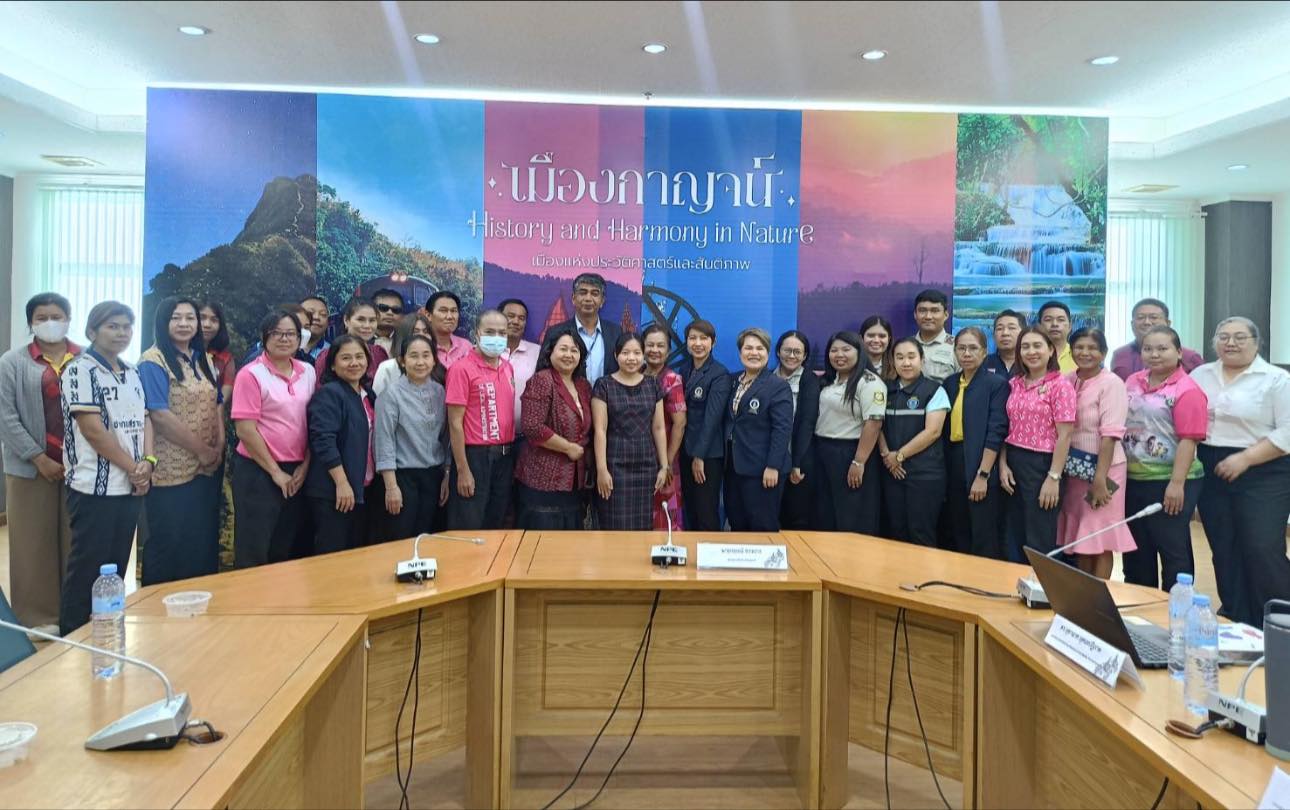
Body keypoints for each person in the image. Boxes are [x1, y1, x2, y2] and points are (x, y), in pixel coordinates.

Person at [58, 301, 153, 635]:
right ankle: (71, 638)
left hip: (130, 486)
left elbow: (145, 419)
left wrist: (148, 464)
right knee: (87, 569)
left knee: (115, 569)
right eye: (112, 326)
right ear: (92, 331)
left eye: (126, 327)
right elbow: (93, 431)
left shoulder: (132, 372)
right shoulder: (79, 370)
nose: (121, 333)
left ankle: (105, 634)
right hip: (93, 488)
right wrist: (133, 467)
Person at [1192, 317, 1290, 624]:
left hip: (1265, 468)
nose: (1230, 343)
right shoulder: (1201, 374)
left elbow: (1288, 431)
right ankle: (1236, 617)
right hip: (1211, 465)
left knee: (1262, 546)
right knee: (1224, 545)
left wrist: (1246, 459)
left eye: (1239, 337)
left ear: (1256, 343)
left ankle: (1277, 620)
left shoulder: (1276, 379)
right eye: (1223, 337)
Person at [0, 293, 80, 633]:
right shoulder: (12, 362)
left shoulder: (85, 358)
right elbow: (5, 416)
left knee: (75, 540)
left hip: (79, 468)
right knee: (32, 544)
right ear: (31, 322)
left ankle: (74, 613)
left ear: (68, 319)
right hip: (29, 469)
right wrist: (37, 457)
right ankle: (37, 618)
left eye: (57, 316)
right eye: (42, 317)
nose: (50, 322)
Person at [138, 297, 224, 585]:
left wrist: (218, 447)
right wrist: (202, 450)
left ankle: (196, 602)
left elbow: (217, 404)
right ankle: (156, 604)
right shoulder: (153, 360)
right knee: (168, 543)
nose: (184, 323)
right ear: (163, 322)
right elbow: (159, 415)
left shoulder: (204, 359)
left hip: (206, 468)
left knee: (198, 542)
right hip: (170, 470)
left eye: (190, 317)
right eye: (176, 317)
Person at [1121, 325, 1208, 591]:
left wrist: (1176, 483)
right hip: (1133, 477)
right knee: (1136, 549)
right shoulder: (1133, 381)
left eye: (1162, 348)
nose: (1154, 354)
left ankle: (1175, 607)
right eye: (1148, 349)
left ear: (1179, 352)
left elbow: (1189, 439)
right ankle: (1139, 605)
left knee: (1172, 547)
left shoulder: (1187, 388)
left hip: (1172, 479)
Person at [230, 310, 316, 568]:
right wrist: (276, 473)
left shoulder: (308, 371)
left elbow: (312, 422)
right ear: (264, 337)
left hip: (297, 471)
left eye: (291, 333)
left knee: (285, 547)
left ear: (300, 338)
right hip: (259, 471)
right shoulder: (251, 374)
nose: (284, 339)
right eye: (276, 333)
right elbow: (246, 430)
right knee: (254, 548)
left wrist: (305, 466)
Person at [1056, 328, 1134, 578]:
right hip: (1075, 469)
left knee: (1100, 534)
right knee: (1082, 534)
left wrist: (1100, 480)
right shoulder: (1067, 380)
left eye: (1092, 348)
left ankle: (1099, 592)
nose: (1085, 353)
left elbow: (1110, 435)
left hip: (1106, 470)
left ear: (1104, 352)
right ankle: (1083, 590)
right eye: (1079, 347)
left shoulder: (1112, 384)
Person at [998, 328, 1076, 555]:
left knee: (1040, 535)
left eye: (1037, 345)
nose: (1031, 351)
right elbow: (1007, 427)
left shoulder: (1060, 385)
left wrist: (1053, 477)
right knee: (1014, 533)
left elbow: (1065, 435)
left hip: (1044, 465)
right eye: (1025, 347)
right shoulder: (1014, 383)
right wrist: (1003, 465)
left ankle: (1040, 579)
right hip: (1013, 461)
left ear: (1050, 350)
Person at [514, 326, 593, 529]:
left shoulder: (583, 386)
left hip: (574, 482)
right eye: (563, 349)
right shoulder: (542, 380)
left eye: (574, 350)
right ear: (550, 351)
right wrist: (568, 447)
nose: (569, 355)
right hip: (542, 480)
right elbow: (532, 427)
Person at [446, 310, 517, 529]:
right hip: (475, 457)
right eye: (490, 332)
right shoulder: (461, 369)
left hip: (505, 456)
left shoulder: (507, 367)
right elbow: (455, 423)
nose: (496, 337)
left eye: (502, 333)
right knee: (469, 525)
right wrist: (462, 469)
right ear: (477, 333)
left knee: (495, 523)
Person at [375, 334, 450, 540]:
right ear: (402, 361)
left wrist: (447, 473)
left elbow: (446, 437)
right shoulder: (391, 394)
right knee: (402, 538)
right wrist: (391, 487)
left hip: (433, 476)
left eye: (426, 355)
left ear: (434, 360)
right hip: (403, 478)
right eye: (414, 356)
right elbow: (384, 441)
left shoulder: (440, 391)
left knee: (428, 537)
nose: (420, 362)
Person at [943, 327, 1010, 559]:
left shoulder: (996, 384)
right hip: (953, 460)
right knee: (957, 529)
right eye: (961, 348)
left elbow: (996, 432)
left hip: (981, 462)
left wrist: (983, 475)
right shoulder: (950, 383)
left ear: (984, 352)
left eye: (973, 348)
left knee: (983, 533)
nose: (967, 353)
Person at [305, 335, 375, 554]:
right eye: (346, 358)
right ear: (333, 365)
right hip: (333, 491)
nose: (354, 363)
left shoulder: (367, 394)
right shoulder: (330, 394)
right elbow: (323, 440)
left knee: (355, 556)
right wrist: (342, 483)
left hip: (361, 488)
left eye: (359, 357)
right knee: (332, 556)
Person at [592, 332, 670, 530]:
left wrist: (664, 466)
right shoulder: (604, 385)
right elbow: (600, 430)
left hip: (646, 467)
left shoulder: (652, 384)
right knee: (614, 526)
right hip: (614, 467)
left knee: (642, 526)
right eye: (625, 353)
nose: (631, 358)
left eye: (637, 353)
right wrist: (601, 469)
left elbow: (659, 428)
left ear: (643, 355)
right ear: (616, 354)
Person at [879, 338, 950, 546]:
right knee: (896, 532)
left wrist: (899, 455)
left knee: (921, 533)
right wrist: (887, 456)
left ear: (922, 359)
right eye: (900, 357)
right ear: (892, 361)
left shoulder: (935, 390)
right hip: (892, 472)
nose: (906, 363)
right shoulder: (885, 390)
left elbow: (933, 432)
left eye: (912, 357)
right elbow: (876, 424)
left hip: (925, 475)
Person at [812, 331, 885, 534]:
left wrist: (858, 462)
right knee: (826, 514)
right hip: (823, 450)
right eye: (834, 350)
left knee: (851, 516)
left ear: (859, 352)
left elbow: (874, 424)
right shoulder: (830, 380)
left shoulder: (869, 382)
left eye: (846, 349)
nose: (839, 355)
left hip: (851, 452)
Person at [721, 328, 793, 531]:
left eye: (760, 348)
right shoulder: (732, 380)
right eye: (748, 348)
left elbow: (782, 429)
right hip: (733, 467)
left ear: (768, 352)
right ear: (740, 352)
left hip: (763, 470)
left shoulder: (777, 386)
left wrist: (773, 466)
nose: (754, 353)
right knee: (737, 523)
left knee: (762, 526)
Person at [677, 320, 730, 531]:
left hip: (707, 456)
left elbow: (712, 420)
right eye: (693, 338)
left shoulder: (719, 374)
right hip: (685, 451)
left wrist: (699, 457)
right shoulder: (684, 369)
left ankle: (709, 550)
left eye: (703, 338)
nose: (698, 343)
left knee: (706, 512)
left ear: (713, 342)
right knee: (690, 510)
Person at [642, 324, 687, 529]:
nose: (655, 350)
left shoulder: (672, 380)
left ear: (668, 351)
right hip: (639, 459)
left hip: (665, 459)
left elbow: (680, 423)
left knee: (665, 517)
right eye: (650, 345)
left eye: (660, 346)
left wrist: (666, 462)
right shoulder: (635, 374)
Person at [774, 330, 819, 530]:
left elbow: (807, 423)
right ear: (778, 352)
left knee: (795, 518)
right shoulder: (768, 377)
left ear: (805, 355)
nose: (791, 356)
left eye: (797, 352)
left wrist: (796, 463)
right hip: (771, 461)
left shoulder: (809, 380)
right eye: (787, 350)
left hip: (797, 460)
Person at [1111, 298, 1204, 381]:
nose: (1147, 322)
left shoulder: (1190, 357)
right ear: (1132, 324)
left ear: (1167, 323)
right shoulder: (1120, 355)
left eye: (1154, 317)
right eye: (1140, 318)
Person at [557, 273, 622, 384]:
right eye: (583, 293)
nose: (588, 298)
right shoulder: (556, 333)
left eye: (594, 294)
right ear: (573, 298)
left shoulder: (616, 333)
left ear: (602, 301)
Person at [313, 298, 389, 387]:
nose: (367, 325)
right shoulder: (328, 355)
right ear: (346, 320)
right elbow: (321, 390)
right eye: (360, 319)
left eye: (372, 320)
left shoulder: (379, 354)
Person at [499, 298, 541, 421]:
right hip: (488, 430)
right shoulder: (484, 351)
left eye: (521, 318)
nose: (516, 322)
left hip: (525, 430)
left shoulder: (537, 352)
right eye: (510, 316)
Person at [372, 312, 432, 395]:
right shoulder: (388, 368)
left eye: (425, 331)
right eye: (416, 331)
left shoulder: (436, 366)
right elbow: (378, 398)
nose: (421, 335)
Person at [241, 302, 315, 366]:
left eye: (306, 327)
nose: (303, 332)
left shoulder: (308, 362)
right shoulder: (255, 362)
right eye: (297, 326)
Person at [912, 289, 958, 382]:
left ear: (946, 315)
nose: (928, 316)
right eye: (922, 310)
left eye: (935, 311)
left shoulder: (957, 346)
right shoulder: (905, 346)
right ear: (915, 315)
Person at [425, 290, 473, 369]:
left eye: (454, 311)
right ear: (428, 315)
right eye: (443, 310)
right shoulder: (421, 346)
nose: (449, 316)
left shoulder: (466, 347)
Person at [200, 301, 236, 403]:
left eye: (214, 320)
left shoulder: (225, 359)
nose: (207, 325)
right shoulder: (180, 353)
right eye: (202, 318)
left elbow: (225, 392)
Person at [1037, 300, 1077, 373]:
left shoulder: (1078, 355)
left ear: (1070, 326)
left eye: (1061, 320)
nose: (1054, 324)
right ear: (1039, 327)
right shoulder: (1031, 355)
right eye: (1048, 320)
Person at [984, 309, 1025, 378]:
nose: (1005, 333)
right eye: (999, 328)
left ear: (1023, 333)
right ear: (994, 335)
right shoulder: (984, 363)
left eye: (1011, 328)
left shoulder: (1030, 362)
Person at [859, 315, 895, 380]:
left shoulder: (897, 366)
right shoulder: (852, 366)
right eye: (871, 335)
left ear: (889, 339)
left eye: (882, 336)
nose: (876, 340)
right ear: (861, 338)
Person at [370, 288, 405, 353]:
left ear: (402, 316)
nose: (390, 313)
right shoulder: (359, 338)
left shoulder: (406, 341)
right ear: (371, 310)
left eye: (396, 310)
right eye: (383, 308)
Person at [300, 295, 331, 361]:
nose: (316, 317)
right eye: (310, 313)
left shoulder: (332, 353)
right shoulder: (284, 346)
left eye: (323, 314)